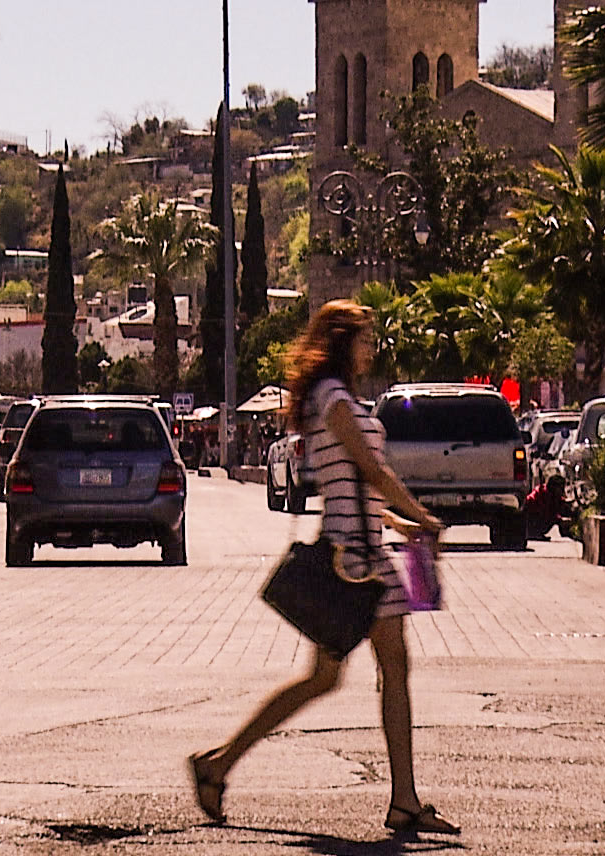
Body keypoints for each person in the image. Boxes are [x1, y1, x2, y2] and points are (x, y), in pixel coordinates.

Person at [188, 300, 456, 835]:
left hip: (360, 550)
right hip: (353, 560)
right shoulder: (333, 399)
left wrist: (401, 527)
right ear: (341, 342)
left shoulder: (337, 399)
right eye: (364, 338)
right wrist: (422, 516)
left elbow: (355, 486)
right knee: (377, 671)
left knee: (334, 676)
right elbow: (371, 471)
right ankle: (401, 799)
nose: (372, 347)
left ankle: (219, 765)